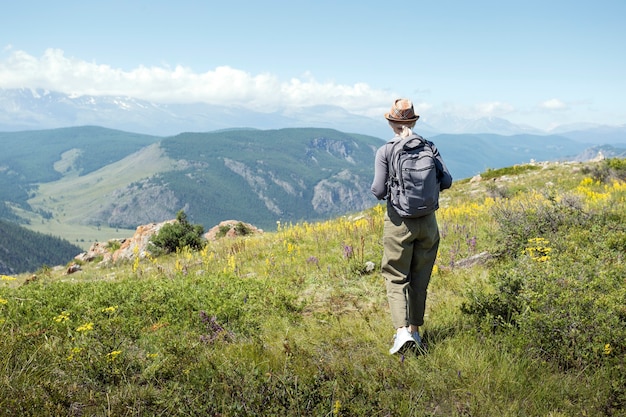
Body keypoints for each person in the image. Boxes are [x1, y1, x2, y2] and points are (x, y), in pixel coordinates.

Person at [371, 98, 452, 355]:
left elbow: (378, 190)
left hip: (399, 223)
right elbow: (447, 181)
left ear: (391, 123)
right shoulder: (429, 146)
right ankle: (416, 332)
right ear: (414, 121)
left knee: (396, 277)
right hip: (428, 223)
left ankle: (401, 332)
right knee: (420, 279)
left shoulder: (386, 151)